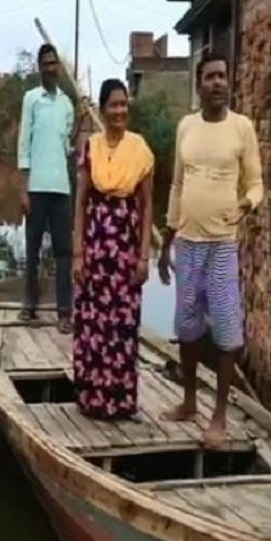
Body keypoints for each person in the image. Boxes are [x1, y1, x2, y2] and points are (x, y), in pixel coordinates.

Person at [158, 51, 263, 449]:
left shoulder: (242, 128)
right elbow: (177, 186)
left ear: (228, 82)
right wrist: (166, 241)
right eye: (209, 77)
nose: (217, 82)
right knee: (186, 327)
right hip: (186, 243)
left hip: (221, 245)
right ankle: (188, 401)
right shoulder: (186, 127)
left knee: (225, 329)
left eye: (222, 76)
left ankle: (218, 416)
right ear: (199, 84)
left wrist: (245, 205)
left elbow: (256, 184)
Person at [72, 79, 155, 420]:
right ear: (103, 110)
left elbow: (148, 206)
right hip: (95, 242)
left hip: (125, 245)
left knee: (122, 324)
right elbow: (80, 203)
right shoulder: (90, 148)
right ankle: (92, 399)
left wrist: (144, 255)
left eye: (124, 105)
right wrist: (77, 252)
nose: (120, 111)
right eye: (113, 105)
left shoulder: (140, 149)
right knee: (92, 321)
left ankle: (120, 402)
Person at [16, 43, 75, 334]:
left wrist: (81, 127)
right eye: (46, 63)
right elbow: (23, 145)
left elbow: (67, 147)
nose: (51, 68)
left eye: (54, 63)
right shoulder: (31, 99)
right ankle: (29, 304)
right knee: (33, 248)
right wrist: (22, 189)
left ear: (58, 68)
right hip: (37, 188)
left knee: (64, 251)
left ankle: (65, 311)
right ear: (39, 68)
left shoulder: (67, 104)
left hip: (61, 188)